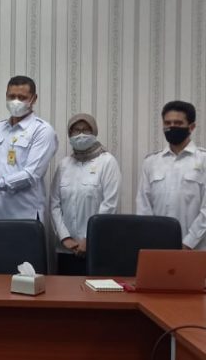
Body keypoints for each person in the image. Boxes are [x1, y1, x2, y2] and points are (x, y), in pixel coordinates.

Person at [0, 76, 58, 221]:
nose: (16, 101)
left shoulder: (42, 130)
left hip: (24, 215)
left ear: (34, 99)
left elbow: (30, 175)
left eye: (22, 97)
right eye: (12, 96)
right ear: (6, 96)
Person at [50, 113, 121, 274]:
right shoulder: (64, 165)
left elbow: (110, 204)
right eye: (76, 130)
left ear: (94, 132)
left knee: (95, 289)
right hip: (66, 249)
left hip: (96, 247)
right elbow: (54, 204)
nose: (81, 134)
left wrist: (89, 238)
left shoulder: (107, 162)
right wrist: (65, 237)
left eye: (86, 130)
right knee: (64, 289)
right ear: (69, 134)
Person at [137, 100, 206, 250]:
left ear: (191, 127)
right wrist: (152, 239)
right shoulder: (151, 162)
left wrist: (188, 243)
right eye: (167, 123)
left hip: (197, 249)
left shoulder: (203, 160)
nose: (172, 126)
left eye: (178, 123)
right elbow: (144, 206)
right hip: (158, 246)